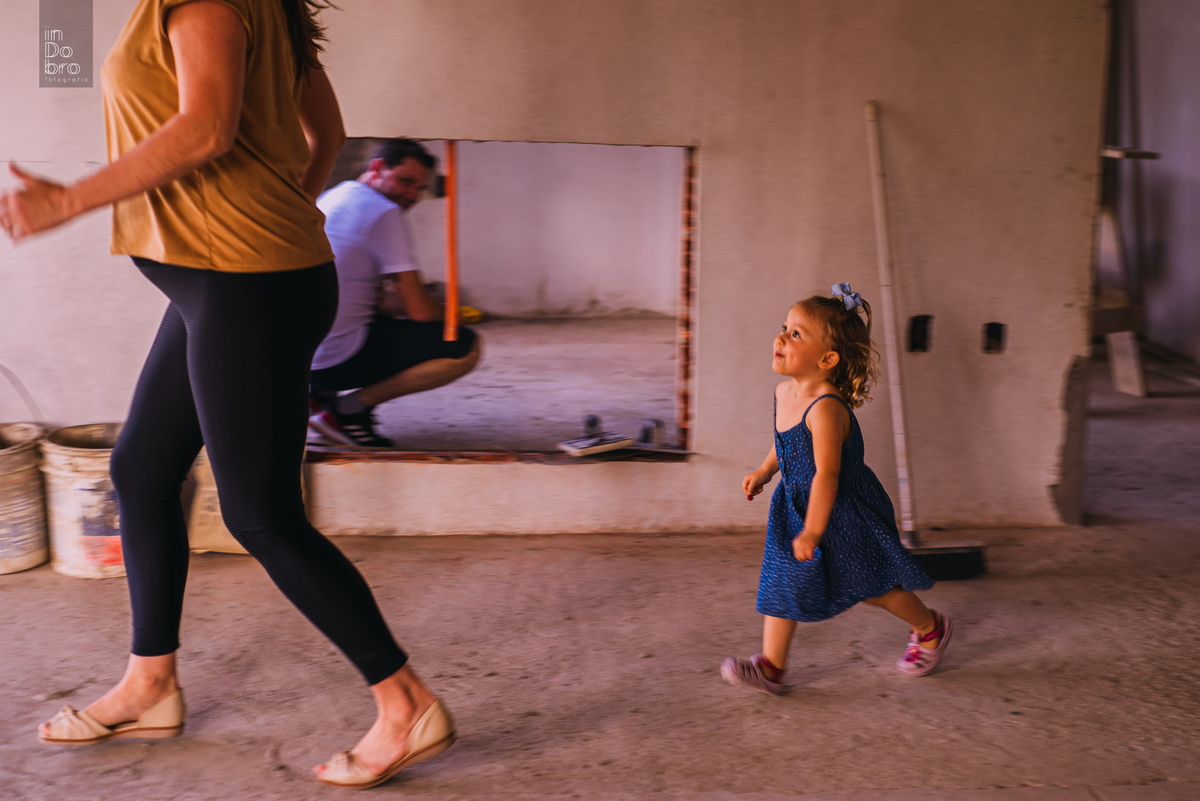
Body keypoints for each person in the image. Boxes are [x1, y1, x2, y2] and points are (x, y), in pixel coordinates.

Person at [0, 0, 452, 788]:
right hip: (227, 282)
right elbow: (329, 135)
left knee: (261, 514)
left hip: (246, 285)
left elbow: (205, 129)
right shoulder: (261, 6)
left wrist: (66, 201)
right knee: (142, 472)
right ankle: (151, 682)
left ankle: (405, 701)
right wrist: (281, 211)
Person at [720, 283, 951, 695]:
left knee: (874, 588)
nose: (781, 337)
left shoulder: (826, 408)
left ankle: (930, 628)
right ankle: (772, 668)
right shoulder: (784, 392)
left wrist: (813, 529)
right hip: (794, 506)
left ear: (827, 359)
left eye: (795, 334)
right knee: (781, 583)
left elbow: (826, 473)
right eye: (784, 327)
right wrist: (765, 470)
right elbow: (786, 441)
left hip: (841, 511)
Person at [308, 138, 481, 448]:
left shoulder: (335, 195)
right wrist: (453, 313)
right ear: (377, 168)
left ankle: (315, 397)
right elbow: (420, 311)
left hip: (302, 360)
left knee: (374, 312)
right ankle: (347, 412)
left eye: (419, 187)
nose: (412, 195)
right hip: (334, 361)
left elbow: (373, 298)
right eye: (405, 181)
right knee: (464, 346)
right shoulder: (383, 211)